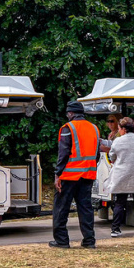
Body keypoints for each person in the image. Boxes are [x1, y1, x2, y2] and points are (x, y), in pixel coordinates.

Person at [51, 100, 100, 249]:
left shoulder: (68, 128)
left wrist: (58, 174)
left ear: (71, 113)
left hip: (69, 176)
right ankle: (89, 240)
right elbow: (96, 154)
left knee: (61, 208)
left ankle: (61, 241)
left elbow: (63, 153)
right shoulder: (94, 128)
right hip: (88, 175)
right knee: (86, 208)